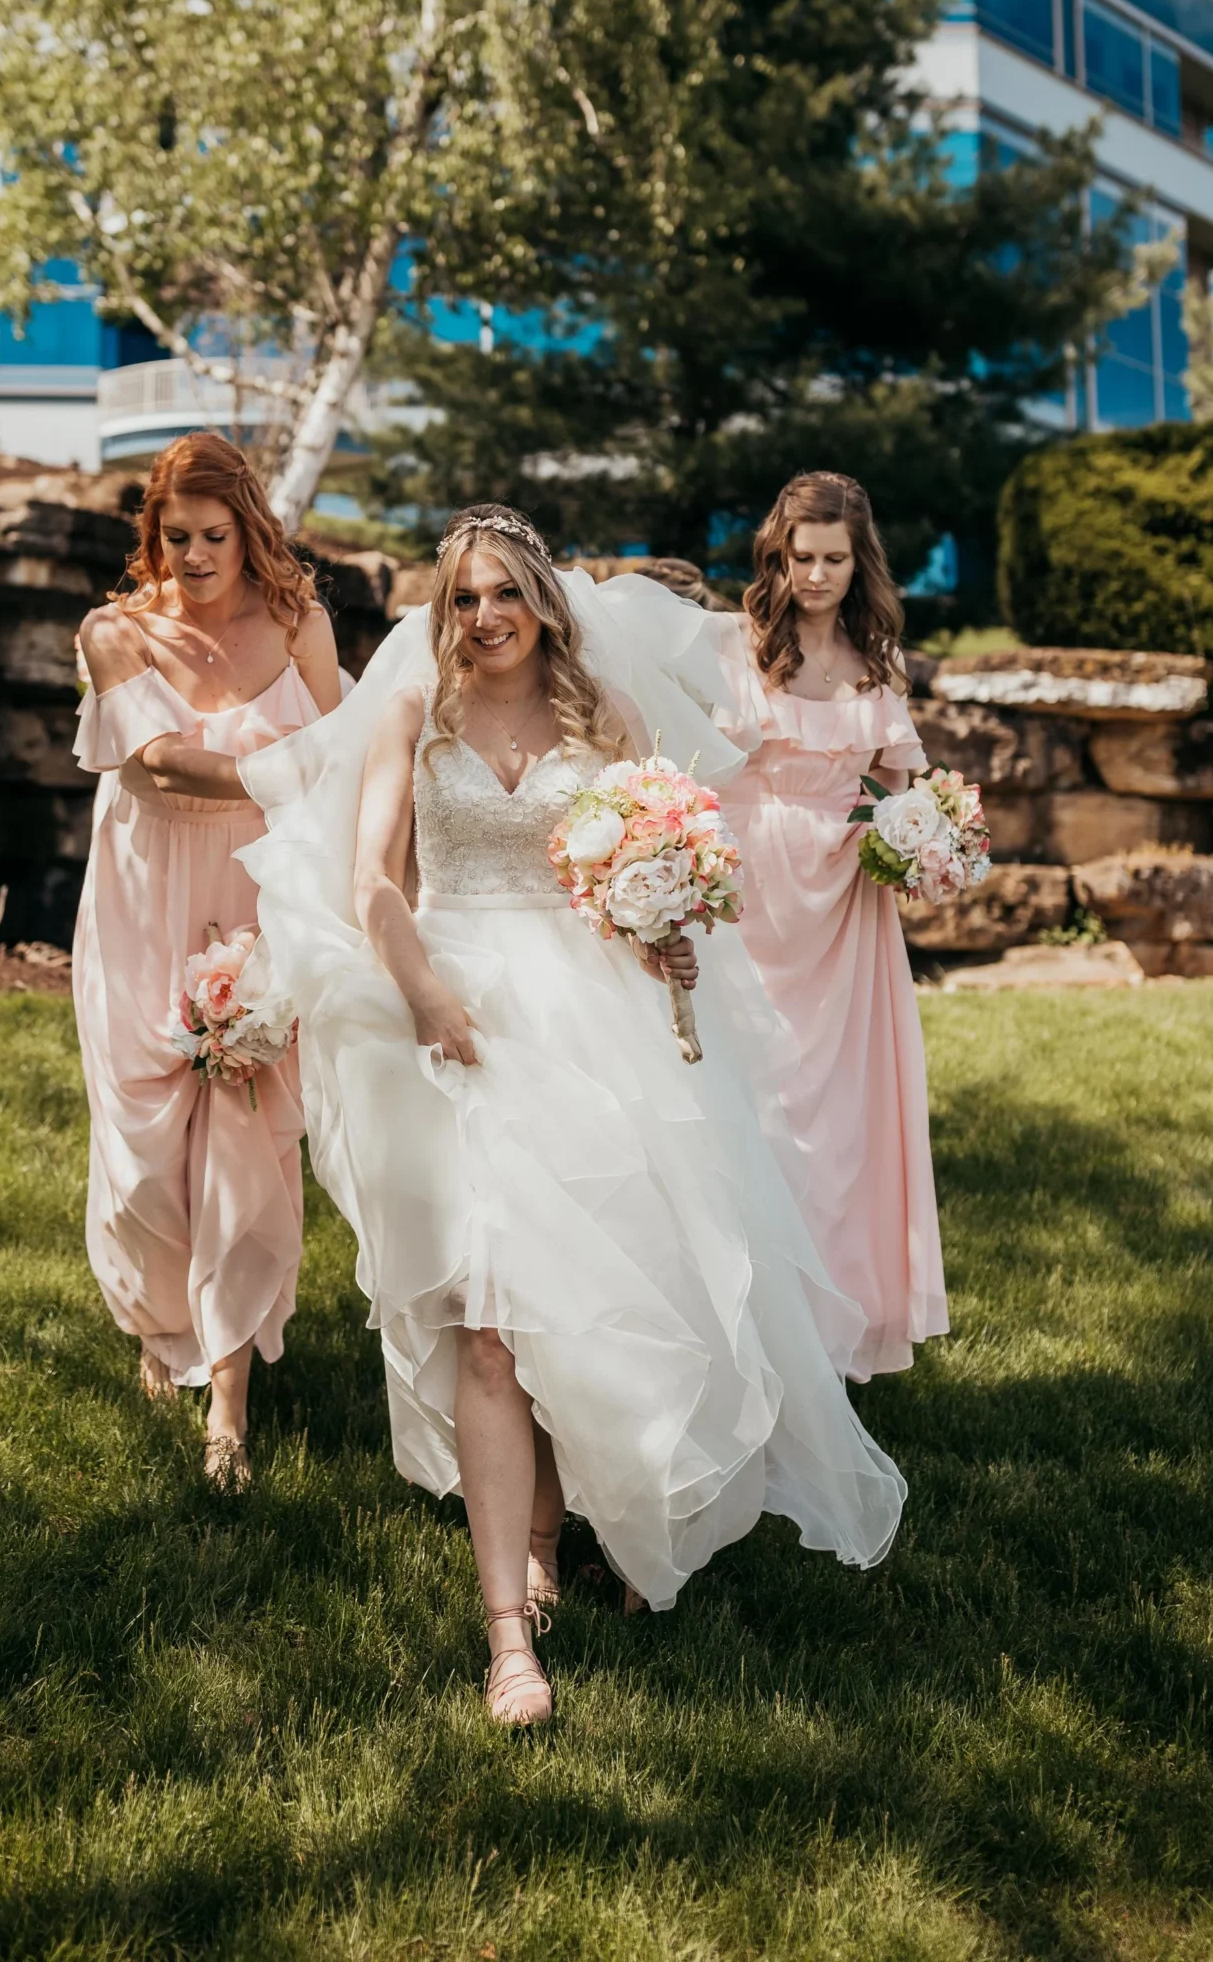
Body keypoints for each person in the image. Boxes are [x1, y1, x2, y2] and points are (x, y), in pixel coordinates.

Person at [240, 503, 905, 1727]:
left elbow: (664, 874)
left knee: (590, 1293)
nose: (484, 616)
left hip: (592, 1020)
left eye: (505, 593)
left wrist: (669, 936)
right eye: (464, 598)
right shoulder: (414, 707)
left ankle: (570, 1525)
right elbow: (372, 881)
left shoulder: (606, 714)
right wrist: (426, 996)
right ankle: (508, 1630)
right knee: (489, 1323)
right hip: (454, 1018)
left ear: (544, 600)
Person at [72, 431, 343, 1484]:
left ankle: (228, 1396)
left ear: (249, 529)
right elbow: (158, 764)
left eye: (214, 536)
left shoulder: (300, 623)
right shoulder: (114, 632)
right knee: (144, 1139)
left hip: (260, 885)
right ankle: (159, 1325)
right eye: (175, 535)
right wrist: (292, 766)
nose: (192, 556)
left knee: (242, 1114)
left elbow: (351, 762)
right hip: (144, 889)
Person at [712, 471, 948, 1381]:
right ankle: (751, 1321)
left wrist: (920, 843)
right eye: (800, 557)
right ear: (777, 556)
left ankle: (831, 1328)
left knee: (841, 1117)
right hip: (752, 895)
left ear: (859, 562)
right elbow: (700, 768)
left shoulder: (877, 660)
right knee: (757, 1102)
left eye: (833, 560)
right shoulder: (738, 650)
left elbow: (898, 787)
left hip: (846, 907)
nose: (815, 576)